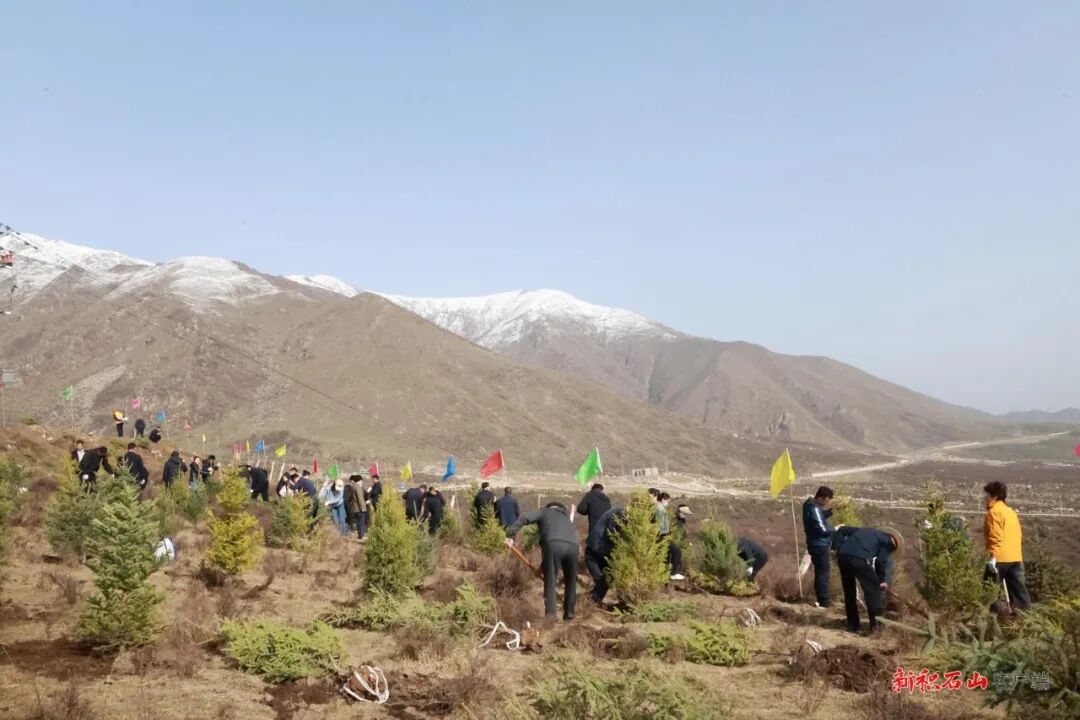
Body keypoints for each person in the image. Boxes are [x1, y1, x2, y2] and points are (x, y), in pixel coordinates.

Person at [507, 502, 579, 621]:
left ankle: (550, 618)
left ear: (549, 507)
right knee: (571, 582)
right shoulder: (566, 517)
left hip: (553, 544)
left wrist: (510, 534)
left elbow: (524, 518)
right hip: (573, 547)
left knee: (550, 581)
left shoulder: (544, 512)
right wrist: (542, 567)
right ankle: (569, 615)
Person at [832, 525, 903, 634]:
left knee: (849, 591)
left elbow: (842, 530)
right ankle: (876, 626)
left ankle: (853, 624)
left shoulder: (864, 530)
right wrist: (881, 580)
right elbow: (880, 561)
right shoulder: (888, 542)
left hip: (842, 557)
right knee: (873, 591)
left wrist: (836, 547)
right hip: (859, 559)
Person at [983, 481, 1031, 611]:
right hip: (1016, 557)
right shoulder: (1011, 512)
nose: (985, 497)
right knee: (1019, 592)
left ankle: (990, 617)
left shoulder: (994, 512)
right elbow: (1018, 534)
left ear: (994, 496)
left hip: (1000, 558)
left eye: (987, 494)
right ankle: (1024, 618)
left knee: (989, 591)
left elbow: (995, 536)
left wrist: (993, 557)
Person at [803, 486, 837, 608]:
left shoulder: (811, 505)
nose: (827, 503)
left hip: (816, 544)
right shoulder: (813, 508)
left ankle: (822, 599)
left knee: (820, 572)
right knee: (823, 573)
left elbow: (820, 516)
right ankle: (823, 601)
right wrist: (835, 529)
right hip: (819, 545)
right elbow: (821, 528)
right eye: (827, 501)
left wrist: (832, 511)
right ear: (821, 498)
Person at [585, 505, 625, 604]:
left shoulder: (619, 512)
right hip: (596, 550)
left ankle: (592, 601)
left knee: (606, 579)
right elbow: (611, 532)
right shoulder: (618, 512)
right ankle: (591, 602)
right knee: (603, 579)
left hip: (602, 550)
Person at [653, 492, 684, 581]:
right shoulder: (659, 509)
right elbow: (658, 524)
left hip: (663, 535)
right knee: (676, 550)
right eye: (667, 501)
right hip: (661, 535)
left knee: (667, 554)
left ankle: (667, 574)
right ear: (663, 499)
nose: (667, 503)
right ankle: (674, 573)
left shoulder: (660, 508)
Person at [343, 474, 367, 541]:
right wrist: (363, 508)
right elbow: (360, 498)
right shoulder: (357, 487)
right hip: (359, 508)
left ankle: (360, 536)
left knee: (359, 522)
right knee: (361, 522)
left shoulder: (353, 486)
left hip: (355, 508)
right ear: (359, 480)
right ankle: (361, 536)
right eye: (361, 480)